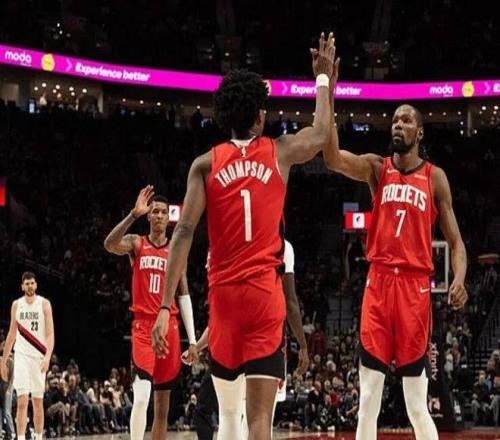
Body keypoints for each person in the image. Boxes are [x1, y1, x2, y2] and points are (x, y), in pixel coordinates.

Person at [152, 32, 337, 440]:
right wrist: (323, 79)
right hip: (264, 299)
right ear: (258, 116)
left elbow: (183, 234)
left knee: (229, 417)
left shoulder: (205, 164)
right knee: (258, 423)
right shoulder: (280, 150)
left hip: (224, 303)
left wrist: (165, 306)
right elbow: (322, 133)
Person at [321, 73, 468, 438]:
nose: (398, 125)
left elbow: (457, 243)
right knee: (368, 399)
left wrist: (460, 280)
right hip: (379, 285)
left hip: (415, 291)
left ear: (420, 132)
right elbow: (332, 159)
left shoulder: (434, 178)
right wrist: (329, 92)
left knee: (416, 405)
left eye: (406, 120)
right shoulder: (377, 168)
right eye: (394, 120)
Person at [188, 239, 310, 439]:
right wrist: (303, 345)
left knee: (229, 415)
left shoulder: (225, 241)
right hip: (266, 335)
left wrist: (197, 345)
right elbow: (290, 302)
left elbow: (221, 310)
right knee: (259, 417)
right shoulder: (283, 246)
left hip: (229, 334)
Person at [104, 188, 197, 440]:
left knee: (162, 408)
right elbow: (109, 244)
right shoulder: (137, 243)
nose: (159, 216)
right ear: (149, 216)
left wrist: (193, 340)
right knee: (142, 396)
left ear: (168, 218)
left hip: (170, 329)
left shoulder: (177, 250)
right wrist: (133, 215)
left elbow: (184, 294)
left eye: (163, 212)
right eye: (155, 211)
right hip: (144, 328)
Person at [0, 272, 55, 440]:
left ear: (36, 285)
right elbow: (11, 333)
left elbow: (50, 334)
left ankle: (38, 437)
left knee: (37, 401)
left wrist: (47, 357)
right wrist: (3, 361)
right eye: (27, 283)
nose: (30, 286)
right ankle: (21, 438)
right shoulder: (16, 305)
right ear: (22, 286)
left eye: (32, 283)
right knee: (22, 401)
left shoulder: (44, 304)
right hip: (21, 356)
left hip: (39, 357)